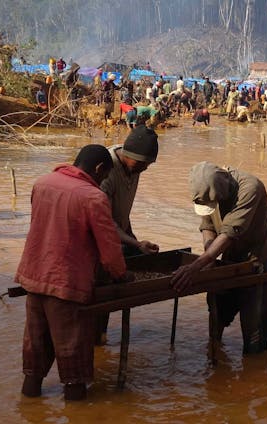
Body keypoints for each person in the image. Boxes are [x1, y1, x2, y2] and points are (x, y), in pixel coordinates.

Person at [16, 144, 129, 401]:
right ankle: (77, 411)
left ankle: (29, 407)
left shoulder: (42, 183)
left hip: (33, 277)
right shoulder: (93, 197)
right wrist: (121, 275)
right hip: (66, 283)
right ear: (99, 169)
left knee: (35, 350)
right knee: (73, 359)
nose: (102, 182)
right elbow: (109, 249)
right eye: (104, 176)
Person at [172, 162, 267, 354]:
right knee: (218, 308)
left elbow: (229, 232)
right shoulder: (208, 189)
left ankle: (255, 370)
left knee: (254, 322)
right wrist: (208, 254)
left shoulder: (250, 188)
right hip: (227, 254)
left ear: (222, 192)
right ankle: (215, 354)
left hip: (256, 258)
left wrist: (196, 266)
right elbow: (208, 226)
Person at [95, 126, 161, 344]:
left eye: (148, 165)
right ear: (129, 155)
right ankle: (96, 340)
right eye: (142, 164)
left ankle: (100, 339)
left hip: (117, 234)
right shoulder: (107, 170)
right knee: (99, 293)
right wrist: (134, 242)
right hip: (98, 239)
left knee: (111, 289)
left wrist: (135, 242)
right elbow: (103, 221)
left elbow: (121, 212)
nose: (144, 169)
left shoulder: (133, 168)